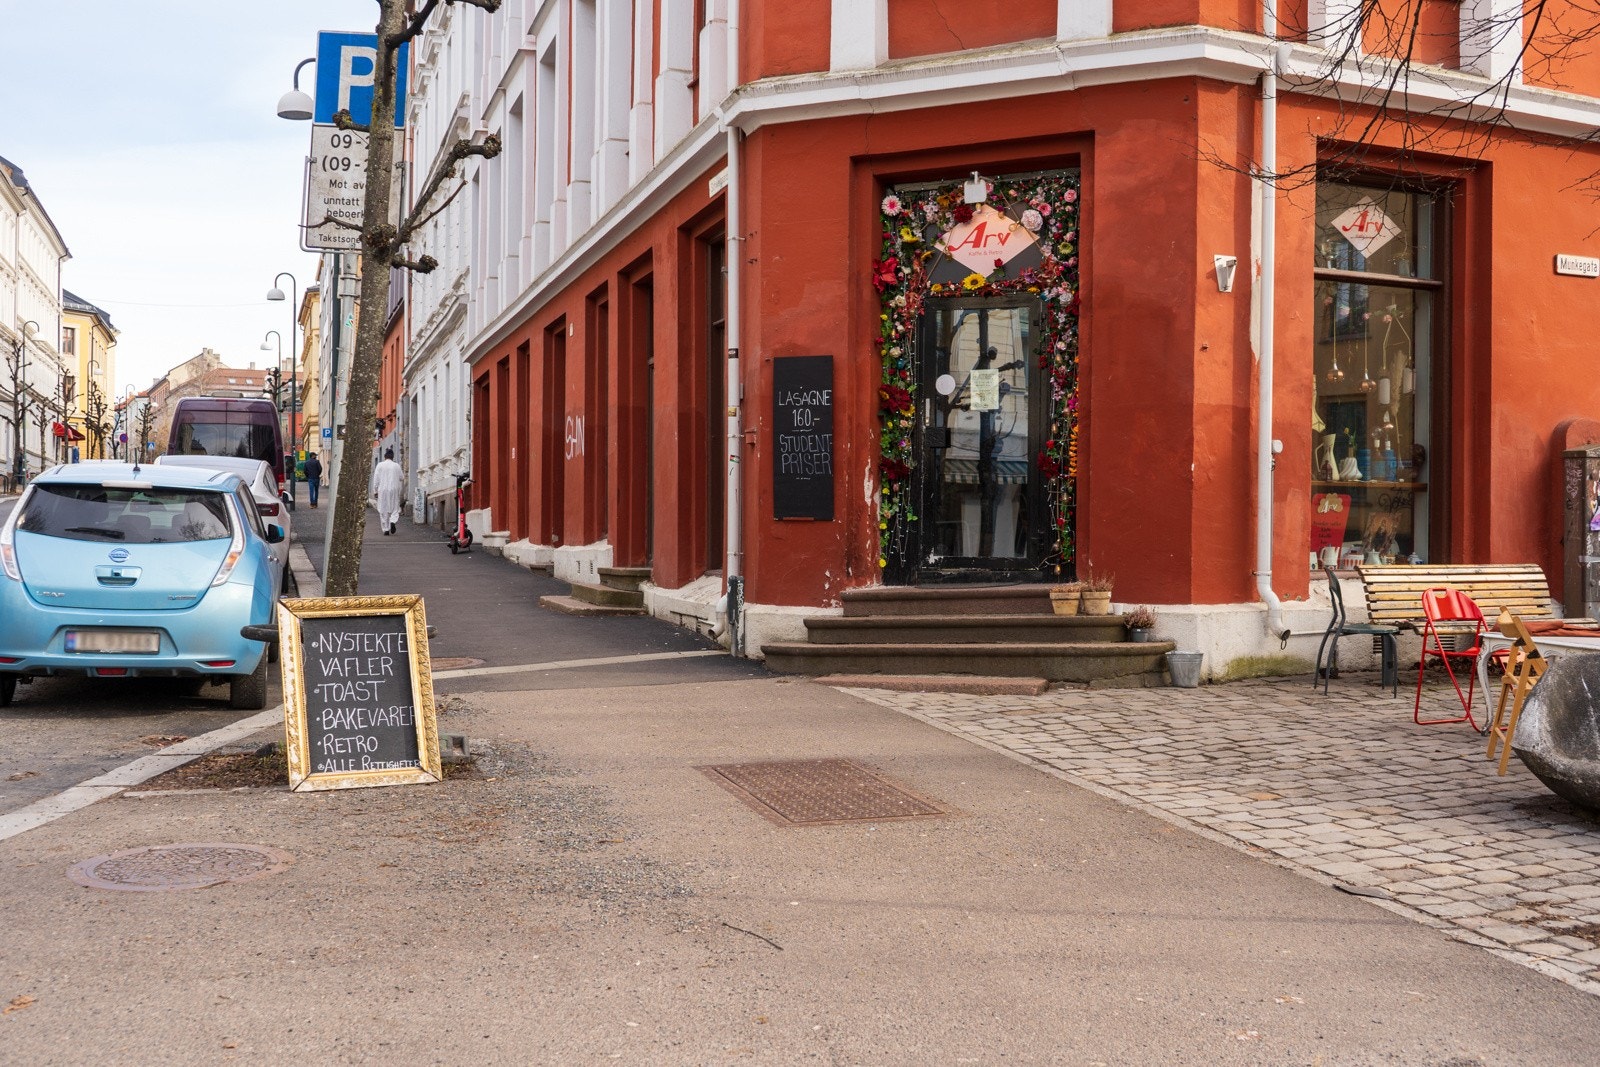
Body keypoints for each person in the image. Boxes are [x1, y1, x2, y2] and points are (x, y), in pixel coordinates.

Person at [372, 447, 403, 535]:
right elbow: (402, 477)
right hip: (394, 489)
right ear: (392, 457)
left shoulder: (380, 465)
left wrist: (375, 490)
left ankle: (386, 529)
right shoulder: (396, 466)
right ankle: (393, 521)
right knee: (395, 507)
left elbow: (376, 479)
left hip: (383, 489)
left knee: (383, 508)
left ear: (385, 457)